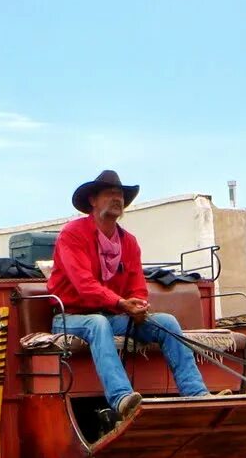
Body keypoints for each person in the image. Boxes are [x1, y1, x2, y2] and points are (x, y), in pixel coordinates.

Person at [47, 170, 209, 422]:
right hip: (71, 317)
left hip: (113, 314)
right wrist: (121, 303)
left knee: (166, 322)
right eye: (110, 193)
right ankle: (121, 397)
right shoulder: (72, 234)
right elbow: (84, 285)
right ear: (93, 200)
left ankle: (197, 394)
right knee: (97, 323)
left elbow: (137, 285)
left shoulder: (129, 242)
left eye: (120, 195)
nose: (117, 199)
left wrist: (139, 305)